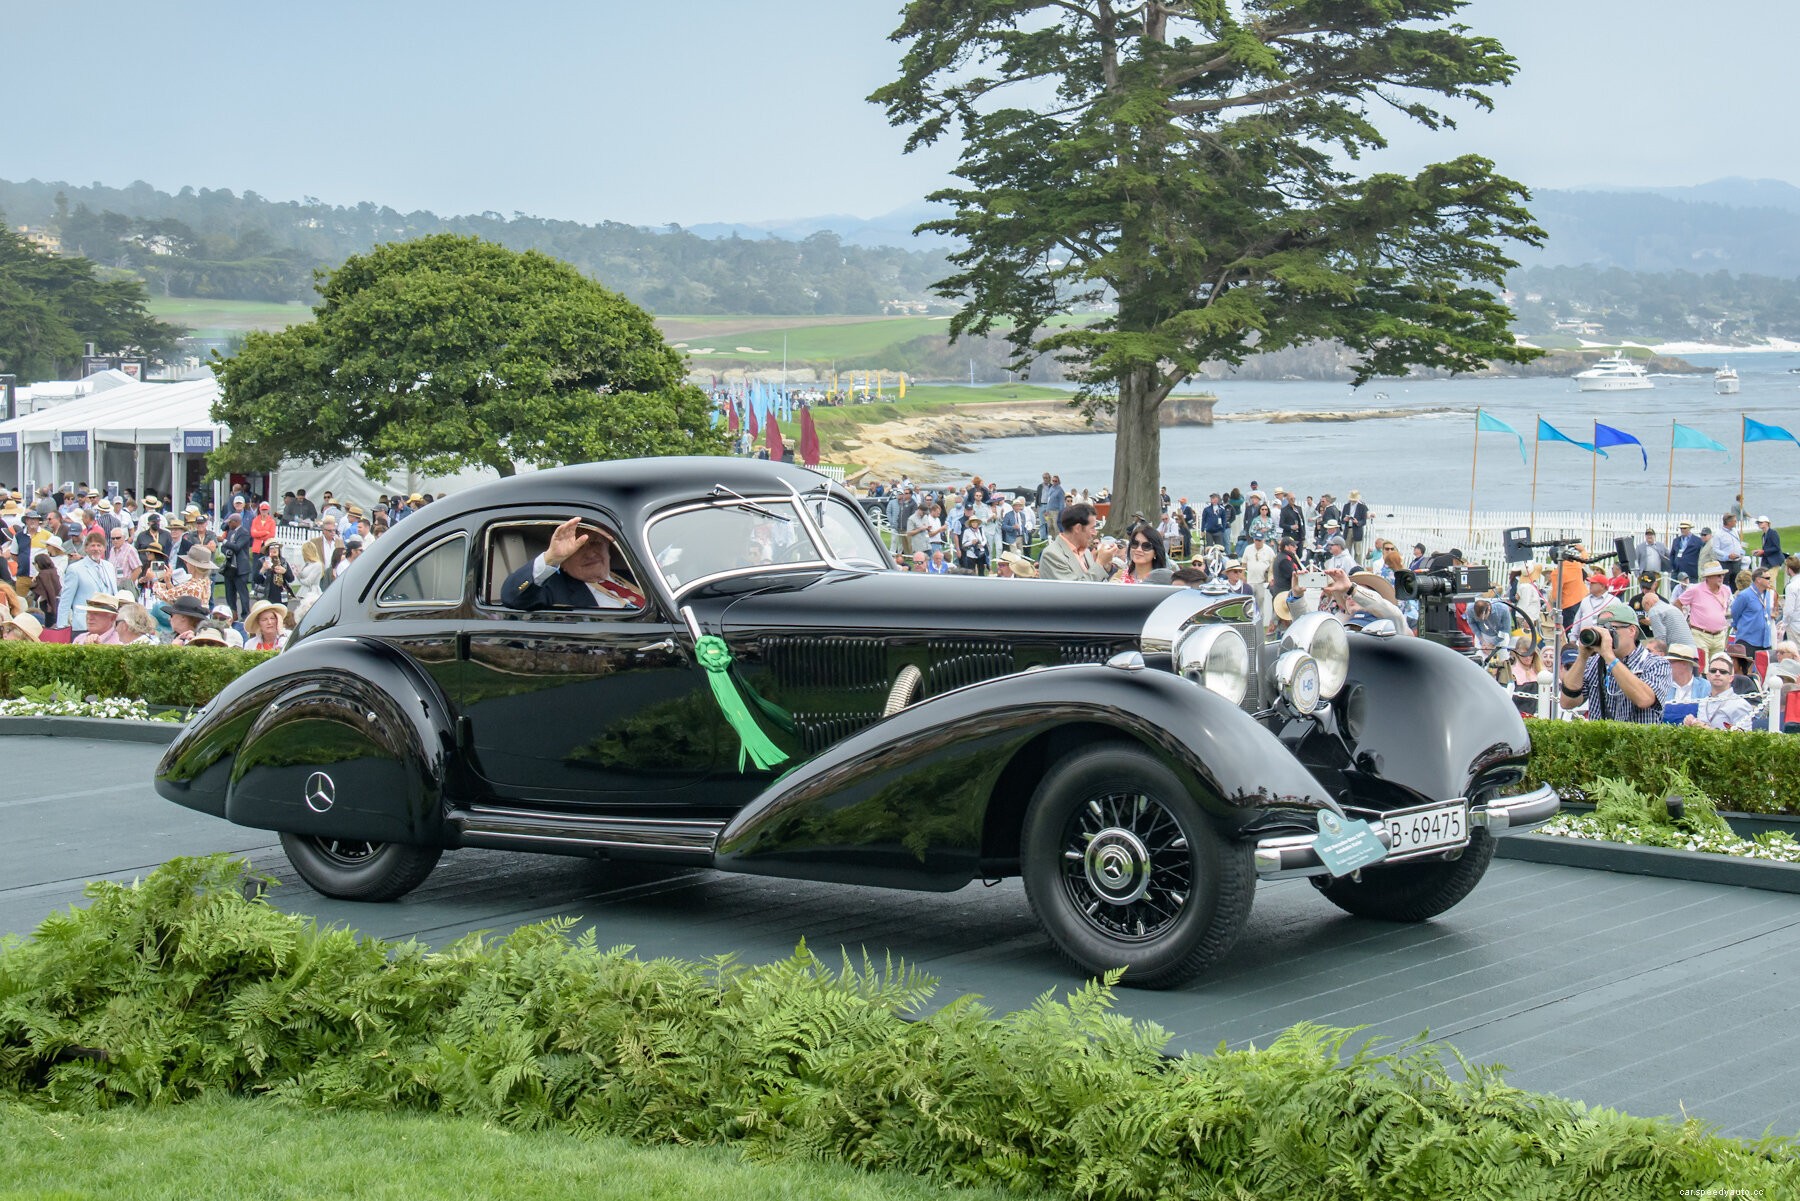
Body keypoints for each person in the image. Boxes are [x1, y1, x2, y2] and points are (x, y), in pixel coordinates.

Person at [1559, 601, 1670, 724]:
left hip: (1638, 742)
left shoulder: (1656, 663)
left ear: (1632, 630)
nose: (1606, 634)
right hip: (1601, 741)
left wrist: (1610, 657)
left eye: (1611, 628)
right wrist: (1582, 657)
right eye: (1601, 629)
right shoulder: (1593, 663)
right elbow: (1567, 702)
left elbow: (1644, 699)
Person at [500, 517, 646, 611]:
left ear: (608, 547)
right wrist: (551, 558)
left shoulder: (634, 575)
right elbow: (512, 597)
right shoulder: (553, 589)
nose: (589, 553)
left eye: (595, 543)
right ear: (563, 559)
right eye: (578, 547)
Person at [56, 531, 116, 634]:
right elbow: (66, 600)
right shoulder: (75, 569)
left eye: (99, 545)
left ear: (104, 548)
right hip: (84, 625)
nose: (96, 549)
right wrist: (61, 627)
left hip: (108, 625)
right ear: (86, 548)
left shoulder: (109, 567)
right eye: (92, 546)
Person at [1036, 503, 1113, 582]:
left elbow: (1096, 582)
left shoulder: (1085, 551)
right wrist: (1100, 563)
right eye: (1092, 528)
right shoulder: (1052, 555)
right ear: (1078, 528)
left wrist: (1105, 566)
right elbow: (1075, 591)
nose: (1095, 533)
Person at [1675, 562, 1732, 660]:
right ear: (1709, 577)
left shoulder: (1726, 590)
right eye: (1718, 575)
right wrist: (1683, 622)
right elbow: (1677, 603)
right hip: (1700, 635)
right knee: (1702, 668)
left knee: (1716, 666)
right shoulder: (1695, 590)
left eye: (1722, 575)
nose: (1721, 577)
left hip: (1719, 635)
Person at [1685, 653, 1756, 731]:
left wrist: (1703, 727)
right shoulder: (1703, 702)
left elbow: (1744, 738)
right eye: (1713, 671)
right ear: (1708, 676)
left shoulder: (1740, 704)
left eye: (1723, 671)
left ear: (1731, 678)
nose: (1717, 674)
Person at [1730, 568, 1777, 656]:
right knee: (1746, 668)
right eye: (1767, 578)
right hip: (1748, 640)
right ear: (1758, 579)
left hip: (1765, 641)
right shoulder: (1745, 595)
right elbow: (1735, 613)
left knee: (1765, 668)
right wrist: (1736, 626)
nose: (1769, 580)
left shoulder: (1767, 594)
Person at [220, 514, 253, 619]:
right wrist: (227, 550)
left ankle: (245, 614)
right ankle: (232, 613)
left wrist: (224, 541)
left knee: (242, 592)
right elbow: (224, 548)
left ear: (236, 522)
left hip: (240, 568)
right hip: (230, 567)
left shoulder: (244, 533)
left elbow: (238, 547)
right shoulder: (230, 533)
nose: (228, 524)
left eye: (230, 522)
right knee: (229, 592)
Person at [255, 540, 298, 605]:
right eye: (272, 547)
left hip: (281, 596)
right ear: (268, 550)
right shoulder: (262, 561)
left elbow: (291, 579)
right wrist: (263, 569)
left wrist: (284, 572)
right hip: (266, 596)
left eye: (276, 547)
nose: (274, 549)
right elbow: (256, 580)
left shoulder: (283, 561)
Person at [28, 553, 60, 625]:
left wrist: (34, 583)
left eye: (34, 563)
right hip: (56, 602)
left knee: (45, 625)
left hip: (45, 604)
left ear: (38, 564)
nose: (34, 566)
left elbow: (38, 590)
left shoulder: (42, 575)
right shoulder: (54, 571)